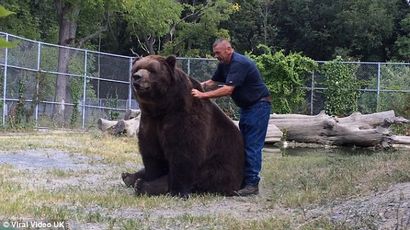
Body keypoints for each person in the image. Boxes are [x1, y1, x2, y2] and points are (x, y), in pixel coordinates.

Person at [191, 38, 271, 196]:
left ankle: (252, 184)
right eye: (214, 53)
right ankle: (244, 181)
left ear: (228, 50)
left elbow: (228, 90)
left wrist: (202, 95)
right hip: (248, 108)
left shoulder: (239, 63)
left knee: (251, 145)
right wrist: (196, 85)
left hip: (259, 106)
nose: (216, 56)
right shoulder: (224, 64)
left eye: (218, 53)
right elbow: (213, 82)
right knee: (244, 143)